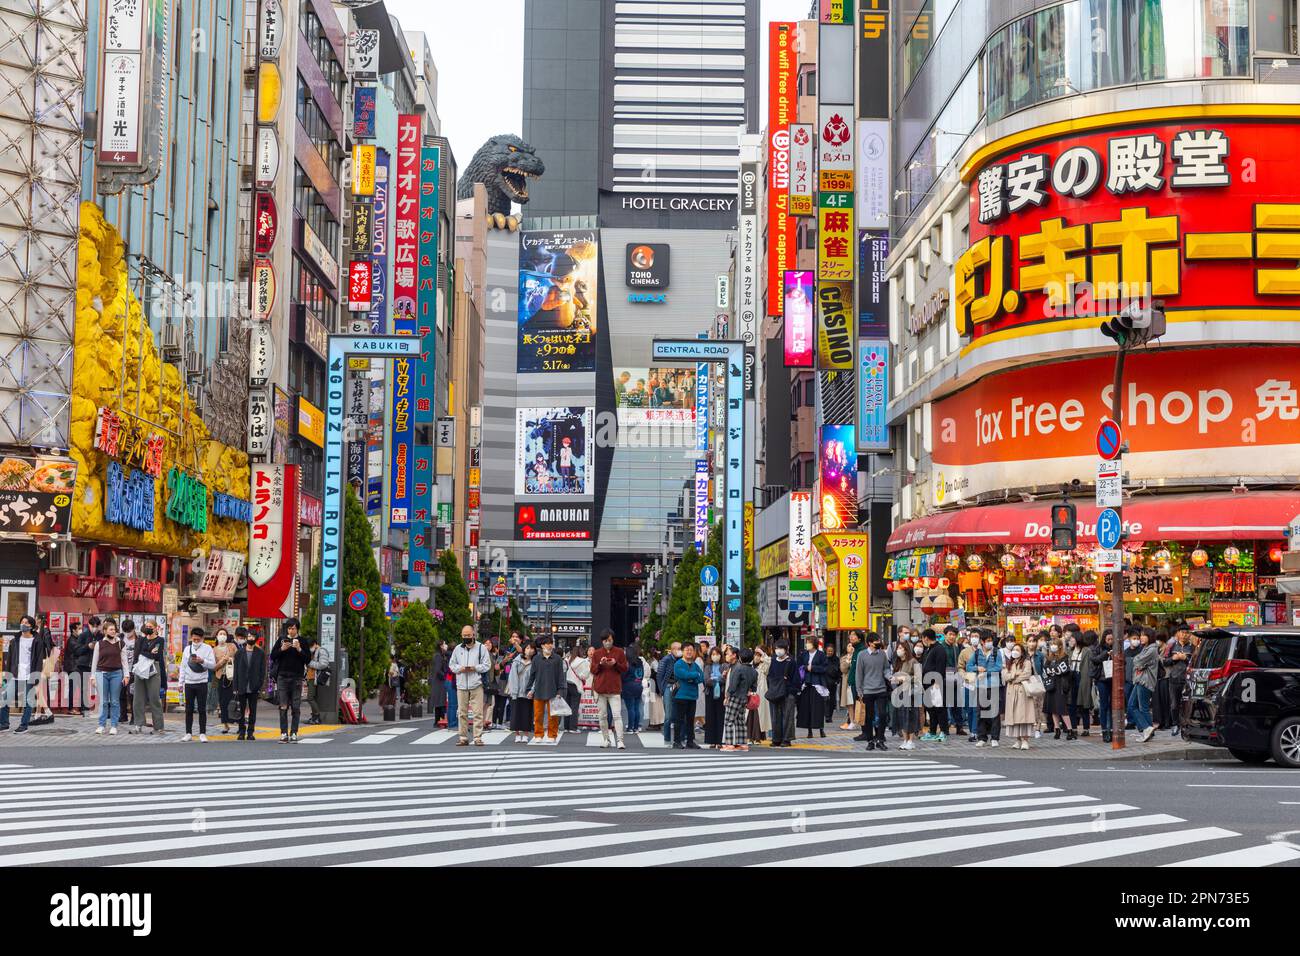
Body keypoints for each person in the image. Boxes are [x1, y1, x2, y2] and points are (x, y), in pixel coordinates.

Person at [2, 615, 47, 734]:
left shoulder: (37, 641)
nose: (23, 624)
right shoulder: (14, 640)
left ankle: (24, 725)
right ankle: (4, 724)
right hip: (15, 675)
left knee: (28, 702)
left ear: (31, 626)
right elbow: (10, 659)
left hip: (29, 675)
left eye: (26, 623)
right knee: (5, 698)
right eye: (22, 622)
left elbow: (38, 660)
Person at [450, 624, 491, 746]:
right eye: (464, 635)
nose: (466, 637)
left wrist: (475, 668)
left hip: (476, 684)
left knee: (477, 712)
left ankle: (477, 737)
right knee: (462, 712)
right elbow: (452, 665)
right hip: (461, 684)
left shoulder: (481, 648)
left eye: (468, 635)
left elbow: (487, 665)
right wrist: (460, 668)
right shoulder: (458, 649)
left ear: (473, 634)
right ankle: (463, 737)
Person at [269, 620, 309, 743]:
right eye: (289, 628)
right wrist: (281, 649)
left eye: (293, 628)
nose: (291, 631)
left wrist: (299, 649)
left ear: (297, 629)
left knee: (296, 707)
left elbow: (307, 659)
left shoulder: (302, 641)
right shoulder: (281, 640)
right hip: (282, 677)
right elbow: (272, 656)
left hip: (297, 677)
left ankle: (294, 733)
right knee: (283, 706)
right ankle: (284, 733)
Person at [591, 628, 628, 749]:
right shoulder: (596, 653)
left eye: (610, 640)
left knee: (617, 715)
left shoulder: (619, 652)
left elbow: (624, 669)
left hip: (614, 689)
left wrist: (615, 664)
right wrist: (600, 664)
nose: (607, 642)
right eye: (605, 640)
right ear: (602, 641)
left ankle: (620, 740)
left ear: (613, 639)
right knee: (602, 716)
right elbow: (593, 670)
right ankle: (606, 739)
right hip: (600, 689)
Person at [525, 635, 566, 744]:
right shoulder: (536, 659)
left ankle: (552, 734)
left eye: (551, 643)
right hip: (538, 690)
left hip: (553, 690)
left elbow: (561, 676)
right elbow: (532, 675)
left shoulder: (557, 659)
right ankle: (538, 734)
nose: (550, 645)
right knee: (538, 715)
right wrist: (528, 689)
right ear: (542, 645)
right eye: (547, 643)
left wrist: (560, 691)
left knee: (553, 715)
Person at [90, 619, 127, 736]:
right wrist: (92, 676)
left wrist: (126, 675)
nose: (113, 631)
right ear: (105, 631)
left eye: (114, 630)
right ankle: (101, 725)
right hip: (101, 673)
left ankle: (114, 725)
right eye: (111, 629)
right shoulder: (99, 644)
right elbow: (94, 661)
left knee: (115, 701)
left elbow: (124, 661)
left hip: (116, 673)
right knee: (103, 701)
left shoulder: (121, 643)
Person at [966, 629, 1003, 747]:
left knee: (994, 712)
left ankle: (995, 737)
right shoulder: (977, 653)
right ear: (982, 642)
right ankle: (982, 737)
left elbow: (998, 667)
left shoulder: (996, 652)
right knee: (980, 712)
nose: (989, 643)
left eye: (991, 641)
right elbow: (969, 666)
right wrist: (977, 668)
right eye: (987, 641)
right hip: (980, 686)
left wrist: (986, 671)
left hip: (994, 685)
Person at [179, 627, 216, 741]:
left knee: (201, 709)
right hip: (189, 683)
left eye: (198, 640)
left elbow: (213, 665)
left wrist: (202, 661)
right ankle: (188, 733)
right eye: (194, 639)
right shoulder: (187, 649)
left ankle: (202, 733)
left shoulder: (208, 648)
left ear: (202, 638)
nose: (195, 642)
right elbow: (183, 666)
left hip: (202, 682)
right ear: (191, 637)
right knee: (188, 709)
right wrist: (181, 682)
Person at [854, 633, 889, 750]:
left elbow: (886, 669)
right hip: (867, 690)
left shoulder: (882, 654)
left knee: (883, 715)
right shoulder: (862, 655)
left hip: (881, 689)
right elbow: (858, 674)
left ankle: (880, 739)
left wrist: (890, 676)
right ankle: (870, 740)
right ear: (870, 643)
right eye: (876, 641)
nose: (879, 642)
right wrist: (859, 690)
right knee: (869, 717)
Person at [129, 622, 166, 735]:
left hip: (154, 668)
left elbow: (155, 655)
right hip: (140, 668)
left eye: (151, 627)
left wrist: (145, 652)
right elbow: (137, 653)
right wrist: (148, 651)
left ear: (156, 628)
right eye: (147, 627)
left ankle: (159, 727)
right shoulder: (141, 639)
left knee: (154, 697)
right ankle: (138, 724)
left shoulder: (160, 640)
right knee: (138, 698)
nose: (149, 629)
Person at [721, 646, 757, 751]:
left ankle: (729, 744)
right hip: (745, 698)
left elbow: (733, 685)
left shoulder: (738, 668)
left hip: (735, 696)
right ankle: (743, 744)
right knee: (740, 721)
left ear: (740, 657)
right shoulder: (754, 671)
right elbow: (754, 687)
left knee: (729, 720)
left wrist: (727, 696)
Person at [766, 639, 800, 747]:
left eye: (780, 648)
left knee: (788, 716)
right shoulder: (773, 661)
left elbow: (796, 678)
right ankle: (776, 739)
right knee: (775, 716)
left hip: (788, 693)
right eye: (776, 648)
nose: (778, 651)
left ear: (786, 649)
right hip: (775, 692)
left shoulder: (791, 661)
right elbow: (769, 676)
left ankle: (786, 739)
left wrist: (792, 692)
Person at [233, 630, 266, 741]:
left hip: (254, 686)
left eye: (253, 636)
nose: (250, 638)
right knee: (241, 710)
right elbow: (235, 671)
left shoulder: (260, 653)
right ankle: (241, 731)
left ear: (256, 638)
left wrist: (260, 684)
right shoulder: (239, 653)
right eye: (249, 636)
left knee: (253, 711)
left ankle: (250, 732)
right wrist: (235, 687)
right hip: (241, 685)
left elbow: (263, 671)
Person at [890, 639, 923, 751]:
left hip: (911, 693)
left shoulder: (913, 661)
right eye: (898, 648)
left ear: (906, 650)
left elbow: (919, 677)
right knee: (901, 716)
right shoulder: (897, 662)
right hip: (900, 692)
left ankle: (911, 740)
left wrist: (906, 678)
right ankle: (905, 740)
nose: (899, 650)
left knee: (911, 715)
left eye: (901, 648)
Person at [1128, 629, 1160, 742]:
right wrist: (1138, 663)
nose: (1141, 638)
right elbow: (1137, 662)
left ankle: (1146, 728)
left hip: (1145, 681)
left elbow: (1137, 662)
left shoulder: (1152, 650)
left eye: (1143, 635)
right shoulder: (1145, 649)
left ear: (1149, 637)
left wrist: (1138, 662)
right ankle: (1148, 730)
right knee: (1132, 705)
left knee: (1142, 707)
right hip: (1139, 679)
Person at [1003, 642, 1037, 750]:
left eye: (1017, 650)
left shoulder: (1026, 662)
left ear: (1022, 652)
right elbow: (1005, 676)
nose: (1015, 652)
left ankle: (1025, 740)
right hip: (1011, 691)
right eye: (1014, 649)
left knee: (1023, 716)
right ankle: (1017, 739)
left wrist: (1014, 678)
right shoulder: (1009, 663)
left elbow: (1027, 674)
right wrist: (1014, 675)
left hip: (1022, 691)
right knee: (1014, 716)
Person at [1041, 637, 1076, 740]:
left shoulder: (1065, 657)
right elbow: (1045, 670)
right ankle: (1057, 730)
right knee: (1053, 709)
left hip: (1060, 686)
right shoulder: (1049, 658)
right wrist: (1052, 670)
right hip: (1051, 685)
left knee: (1062, 709)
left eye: (1055, 644)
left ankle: (1070, 730)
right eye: (1051, 644)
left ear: (1060, 646)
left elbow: (1064, 670)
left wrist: (1052, 670)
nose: (1053, 646)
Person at [671, 642, 703, 749]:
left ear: (694, 652)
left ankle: (690, 741)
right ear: (683, 651)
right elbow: (682, 675)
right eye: (687, 650)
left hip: (692, 696)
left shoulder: (695, 665)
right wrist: (693, 675)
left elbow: (701, 678)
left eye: (691, 650)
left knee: (690, 720)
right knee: (679, 720)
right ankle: (677, 741)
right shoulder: (678, 664)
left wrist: (690, 678)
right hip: (680, 695)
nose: (689, 652)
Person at [796, 636, 829, 739]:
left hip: (817, 683)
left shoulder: (821, 655)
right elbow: (799, 666)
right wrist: (806, 667)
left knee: (818, 707)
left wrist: (813, 668)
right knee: (806, 707)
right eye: (806, 642)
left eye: (809, 642)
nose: (807, 644)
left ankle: (821, 729)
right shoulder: (803, 655)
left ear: (814, 643)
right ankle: (809, 730)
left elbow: (825, 668)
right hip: (806, 683)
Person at [919, 629, 948, 742]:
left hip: (935, 684)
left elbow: (940, 667)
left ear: (926, 638)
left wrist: (937, 682)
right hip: (927, 684)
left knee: (940, 709)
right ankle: (932, 731)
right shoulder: (929, 649)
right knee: (931, 710)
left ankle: (943, 732)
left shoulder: (939, 649)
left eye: (922, 638)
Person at [1165, 625, 1196, 735]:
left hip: (1188, 680)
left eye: (1187, 633)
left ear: (1190, 634)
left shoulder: (1193, 647)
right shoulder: (1171, 646)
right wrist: (1173, 659)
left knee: (1188, 704)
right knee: (1174, 704)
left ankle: (1187, 725)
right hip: (1174, 679)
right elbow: (1164, 662)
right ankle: (1175, 724)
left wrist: (1186, 659)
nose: (1184, 635)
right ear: (1178, 633)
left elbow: (1196, 663)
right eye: (1182, 632)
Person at [507, 640, 536, 742]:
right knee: (516, 713)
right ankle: (517, 734)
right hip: (517, 691)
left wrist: (532, 690)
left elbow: (536, 678)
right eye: (527, 648)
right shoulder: (517, 661)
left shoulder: (535, 662)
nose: (530, 650)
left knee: (527, 713)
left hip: (528, 692)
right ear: (523, 649)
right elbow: (512, 677)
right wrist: (514, 691)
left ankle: (526, 734)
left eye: (532, 648)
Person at [1092, 628, 1116, 743]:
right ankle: (1104, 730)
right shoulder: (1099, 648)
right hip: (1102, 679)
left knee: (1112, 706)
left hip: (1114, 679)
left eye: (1112, 639)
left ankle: (1111, 729)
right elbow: (1095, 660)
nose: (1110, 641)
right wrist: (1105, 654)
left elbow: (1123, 662)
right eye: (1108, 639)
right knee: (1104, 705)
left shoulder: (1117, 648)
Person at [1070, 630, 1095, 736]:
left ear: (1077, 639)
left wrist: (1090, 679)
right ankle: (1073, 728)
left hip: (1083, 677)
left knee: (1084, 704)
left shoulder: (1087, 651)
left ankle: (1086, 728)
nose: (1070, 640)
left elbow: (1090, 666)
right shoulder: (1070, 651)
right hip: (1072, 678)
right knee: (1072, 704)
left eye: (1072, 638)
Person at [702, 645, 727, 748]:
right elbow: (706, 680)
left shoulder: (725, 665)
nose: (715, 656)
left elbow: (726, 679)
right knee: (710, 716)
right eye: (713, 654)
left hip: (721, 693)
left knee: (721, 716)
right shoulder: (707, 666)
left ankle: (720, 741)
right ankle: (711, 740)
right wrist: (719, 678)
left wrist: (716, 679)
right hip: (710, 693)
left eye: (717, 654)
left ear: (721, 655)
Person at [657, 641, 682, 743]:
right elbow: (659, 675)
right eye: (677, 648)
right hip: (668, 687)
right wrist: (662, 690)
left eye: (680, 648)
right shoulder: (666, 659)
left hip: (679, 686)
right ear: (672, 650)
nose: (679, 651)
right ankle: (667, 739)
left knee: (679, 714)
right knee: (668, 715)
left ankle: (679, 738)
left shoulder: (682, 660)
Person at [305, 636, 332, 725]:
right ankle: (314, 717)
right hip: (310, 677)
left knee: (310, 698)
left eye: (311, 646)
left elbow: (323, 664)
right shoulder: (313, 651)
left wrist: (310, 663)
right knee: (313, 697)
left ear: (315, 644)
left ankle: (317, 716)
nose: (310, 649)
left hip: (315, 677)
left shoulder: (321, 651)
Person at [565, 643, 590, 733]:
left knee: (567, 706)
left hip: (567, 684)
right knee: (574, 707)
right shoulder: (583, 662)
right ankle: (573, 727)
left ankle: (566, 726)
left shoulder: (568, 660)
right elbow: (585, 675)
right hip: (576, 685)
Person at [621, 640, 645, 735]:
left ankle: (630, 727)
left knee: (630, 708)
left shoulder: (627, 663)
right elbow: (641, 675)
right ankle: (636, 727)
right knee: (636, 707)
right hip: (638, 685)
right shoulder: (640, 662)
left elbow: (623, 675)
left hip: (628, 686)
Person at [841, 631, 863, 731]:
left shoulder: (861, 650)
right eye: (851, 635)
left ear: (859, 638)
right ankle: (853, 721)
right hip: (850, 682)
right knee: (850, 702)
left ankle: (859, 721)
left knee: (859, 703)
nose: (851, 637)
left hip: (858, 682)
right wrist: (849, 656)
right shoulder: (849, 654)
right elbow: (843, 669)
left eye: (854, 635)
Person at [748, 645, 771, 744]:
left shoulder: (764, 665)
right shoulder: (750, 665)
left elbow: (769, 662)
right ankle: (749, 737)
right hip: (750, 692)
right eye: (755, 654)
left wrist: (763, 654)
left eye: (759, 655)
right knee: (749, 715)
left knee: (759, 715)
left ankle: (757, 738)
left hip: (760, 693)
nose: (756, 657)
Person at [430, 639, 451, 726]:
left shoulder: (440, 655)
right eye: (444, 644)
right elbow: (438, 670)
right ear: (441, 646)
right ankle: (438, 721)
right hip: (439, 681)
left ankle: (438, 721)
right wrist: (445, 676)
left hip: (438, 681)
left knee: (440, 702)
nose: (446, 645)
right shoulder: (438, 656)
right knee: (440, 701)